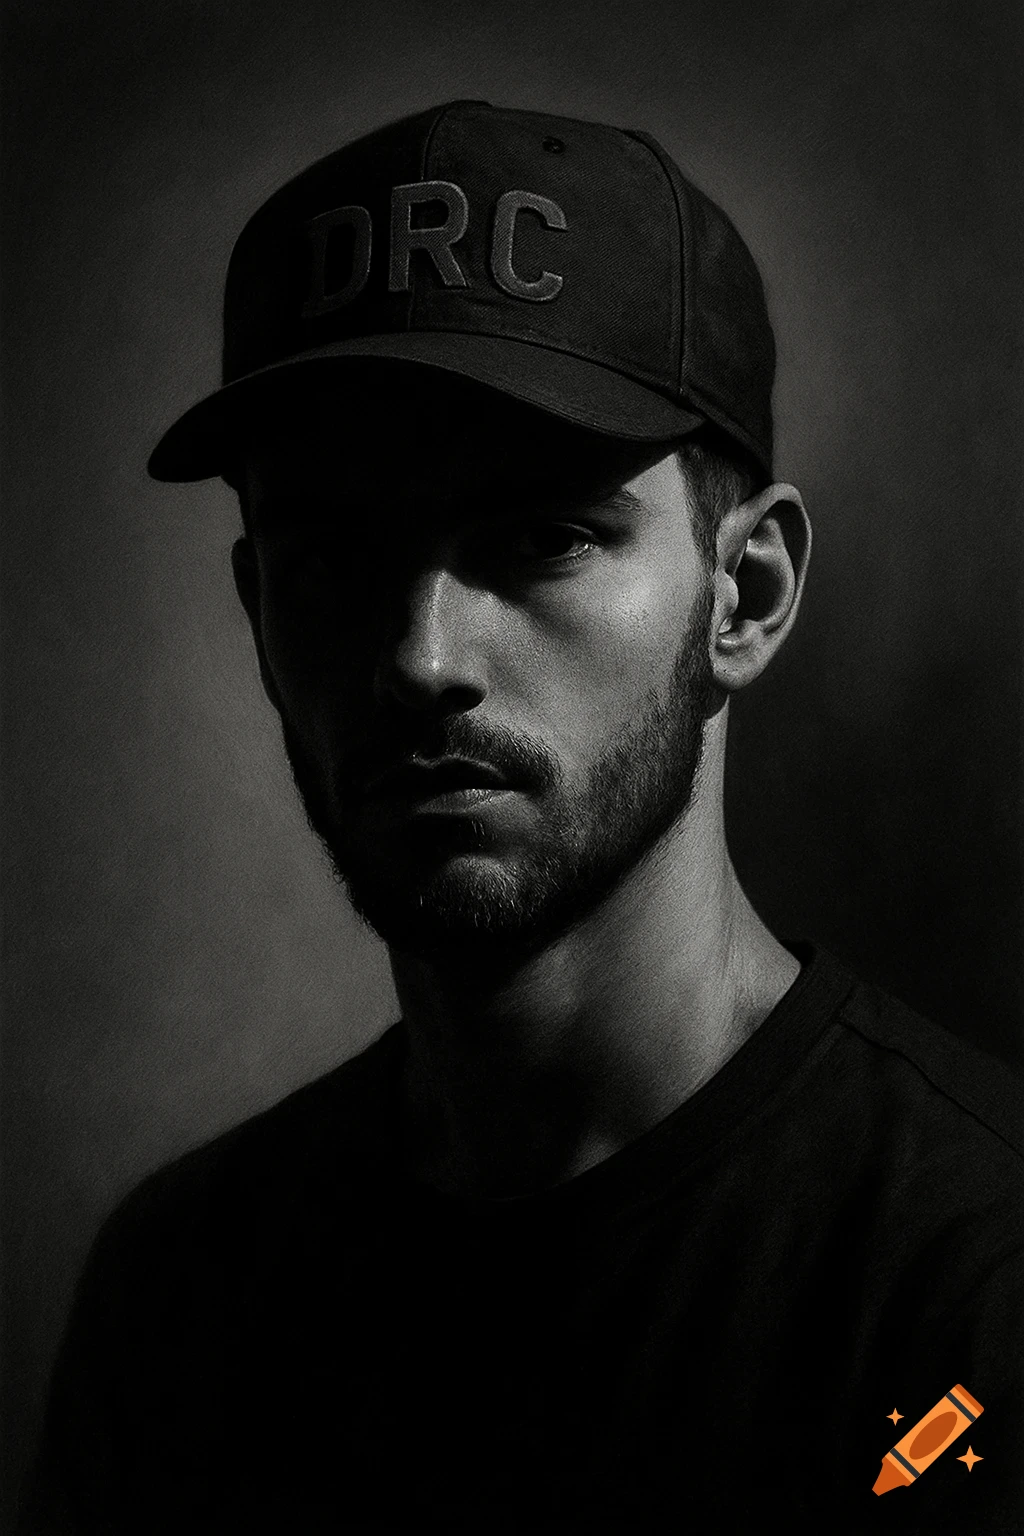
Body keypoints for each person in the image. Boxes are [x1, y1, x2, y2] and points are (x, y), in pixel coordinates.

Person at [28, 100, 1022, 1534]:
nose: (419, 655)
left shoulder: (969, 1283)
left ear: (744, 596)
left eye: (543, 536)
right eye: (331, 558)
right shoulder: (184, 1289)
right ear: (256, 617)